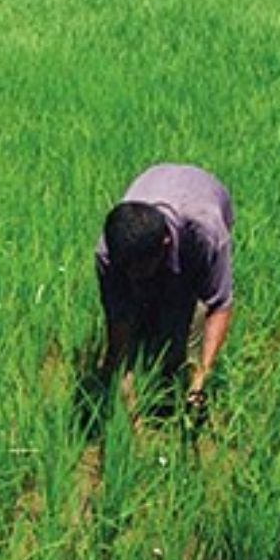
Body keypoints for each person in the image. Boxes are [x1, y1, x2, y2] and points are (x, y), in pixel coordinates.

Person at [95, 164, 236, 412]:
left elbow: (219, 305)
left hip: (205, 191)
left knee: (188, 313)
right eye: (127, 269)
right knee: (141, 319)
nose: (132, 275)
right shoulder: (109, 252)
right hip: (153, 180)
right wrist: (118, 371)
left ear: (165, 243)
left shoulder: (206, 234)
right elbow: (117, 317)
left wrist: (201, 378)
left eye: (141, 269)